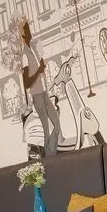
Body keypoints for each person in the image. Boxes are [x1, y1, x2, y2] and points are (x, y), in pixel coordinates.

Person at [19, 18, 62, 157]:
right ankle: (50, 157)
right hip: (37, 95)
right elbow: (27, 83)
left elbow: (39, 69)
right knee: (46, 129)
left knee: (56, 124)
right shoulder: (25, 55)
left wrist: (42, 67)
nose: (30, 32)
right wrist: (39, 70)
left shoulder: (33, 49)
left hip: (44, 92)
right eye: (27, 29)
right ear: (23, 34)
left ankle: (51, 153)